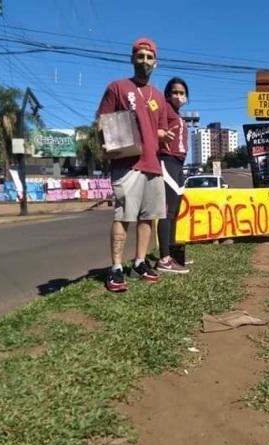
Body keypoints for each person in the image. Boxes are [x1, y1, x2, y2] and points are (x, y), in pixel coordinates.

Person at [96, 37, 173, 292]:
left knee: (147, 217)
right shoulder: (117, 88)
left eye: (149, 58)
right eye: (140, 57)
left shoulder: (159, 97)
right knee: (123, 215)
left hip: (153, 164)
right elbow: (102, 120)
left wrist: (163, 135)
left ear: (156, 63)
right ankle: (116, 267)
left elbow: (160, 129)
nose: (145, 62)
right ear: (132, 59)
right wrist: (104, 138)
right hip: (127, 164)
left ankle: (140, 262)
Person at [156, 77, 190, 274]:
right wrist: (161, 135)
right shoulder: (164, 109)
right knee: (166, 211)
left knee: (175, 210)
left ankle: (173, 254)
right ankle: (164, 258)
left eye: (182, 93)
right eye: (175, 92)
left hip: (179, 163)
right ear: (168, 94)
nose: (178, 96)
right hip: (167, 160)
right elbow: (154, 127)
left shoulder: (178, 115)